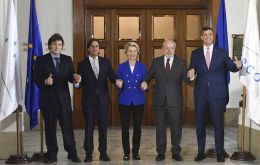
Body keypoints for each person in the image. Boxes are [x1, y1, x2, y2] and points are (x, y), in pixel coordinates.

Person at [187, 27, 241, 162]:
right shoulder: (195, 53)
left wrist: (238, 66)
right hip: (201, 94)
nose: (207, 36)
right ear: (201, 37)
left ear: (213, 37)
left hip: (218, 94)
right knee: (200, 124)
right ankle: (200, 152)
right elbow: (191, 71)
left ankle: (219, 153)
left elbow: (231, 67)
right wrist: (191, 76)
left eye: (210, 34)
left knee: (218, 125)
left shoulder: (222, 52)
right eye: (205, 34)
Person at [33, 33, 80, 164]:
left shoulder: (67, 59)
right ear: (49, 46)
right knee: (50, 128)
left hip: (64, 101)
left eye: (59, 44)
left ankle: (72, 153)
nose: (57, 46)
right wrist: (45, 82)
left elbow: (71, 78)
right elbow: (36, 79)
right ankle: (52, 155)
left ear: (62, 46)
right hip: (48, 101)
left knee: (67, 128)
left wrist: (76, 80)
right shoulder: (41, 60)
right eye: (54, 44)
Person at [141, 40, 191, 161]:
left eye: (171, 48)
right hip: (160, 101)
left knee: (176, 129)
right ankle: (161, 153)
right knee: (160, 129)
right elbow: (148, 76)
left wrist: (192, 76)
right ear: (163, 49)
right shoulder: (156, 62)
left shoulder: (181, 63)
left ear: (175, 49)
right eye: (167, 48)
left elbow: (187, 80)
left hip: (175, 102)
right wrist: (145, 82)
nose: (169, 50)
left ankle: (175, 153)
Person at [74, 38, 122, 162]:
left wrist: (117, 81)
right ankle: (89, 153)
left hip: (103, 100)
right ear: (88, 48)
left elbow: (112, 76)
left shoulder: (105, 62)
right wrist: (77, 82)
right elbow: (79, 84)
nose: (95, 48)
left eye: (97, 46)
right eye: (92, 46)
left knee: (103, 127)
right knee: (89, 127)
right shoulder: (82, 64)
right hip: (88, 101)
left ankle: (103, 152)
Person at [116, 42, 146, 161]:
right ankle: (126, 152)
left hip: (138, 100)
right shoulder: (121, 66)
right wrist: (118, 84)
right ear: (126, 53)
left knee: (137, 128)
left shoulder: (142, 66)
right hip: (124, 100)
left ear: (137, 53)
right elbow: (117, 82)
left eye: (134, 51)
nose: (132, 53)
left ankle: (136, 152)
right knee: (124, 128)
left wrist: (146, 85)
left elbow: (145, 81)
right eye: (130, 51)